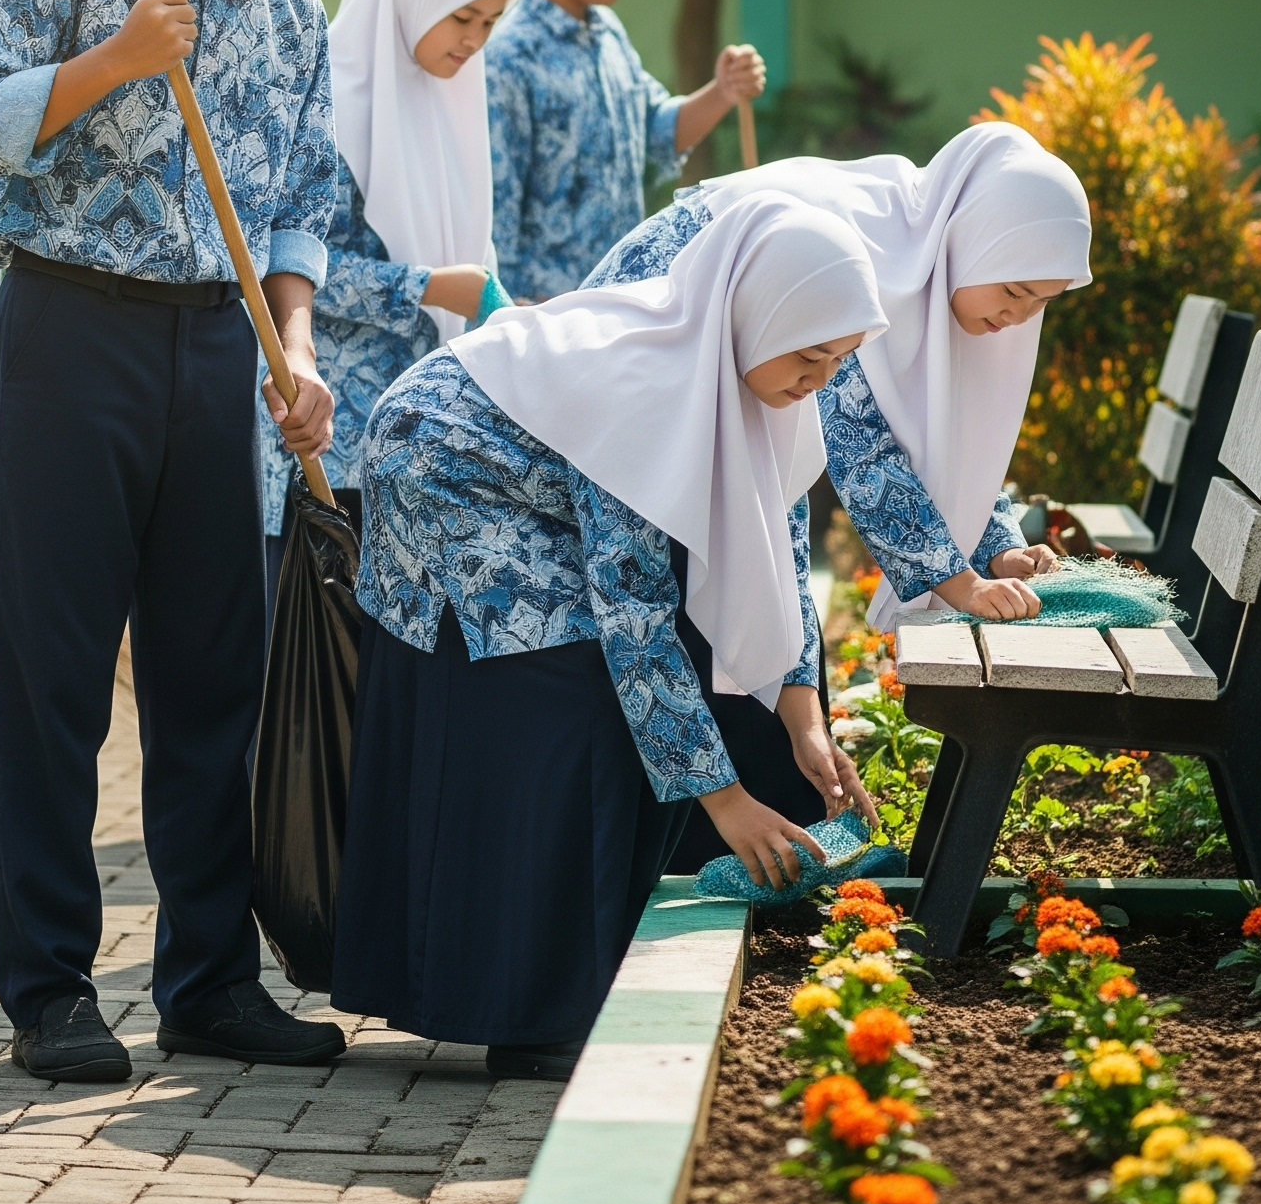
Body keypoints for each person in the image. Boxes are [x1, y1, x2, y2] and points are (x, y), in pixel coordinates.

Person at [0, 0, 371, 1083]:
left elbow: (299, 205)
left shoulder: (295, 14)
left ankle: (208, 981)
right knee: (54, 678)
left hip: (221, 361)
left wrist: (293, 349)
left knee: (213, 684)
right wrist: (111, 62)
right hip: (68, 338)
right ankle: (51, 989)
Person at [331, 193, 885, 1080]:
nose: (820, 376)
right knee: (578, 684)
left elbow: (772, 555)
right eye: (810, 351)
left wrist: (801, 709)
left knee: (658, 680)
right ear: (753, 314)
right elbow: (631, 610)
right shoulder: (653, 380)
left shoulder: (754, 378)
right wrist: (725, 799)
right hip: (443, 470)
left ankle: (593, 966)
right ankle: (532, 1012)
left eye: (841, 359)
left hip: (520, 479)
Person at [584, 122, 1093, 869]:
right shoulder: (863, 254)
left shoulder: (929, 251)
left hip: (735, 414)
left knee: (765, 590)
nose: (1019, 316)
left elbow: (953, 433)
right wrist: (961, 584)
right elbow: (859, 440)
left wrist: (998, 549)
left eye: (1041, 302)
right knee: (689, 600)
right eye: (1015, 289)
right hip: (657, 393)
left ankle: (769, 828)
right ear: (973, 238)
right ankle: (707, 848)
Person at [258, 0, 521, 588]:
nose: (474, 41)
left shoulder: (454, 105)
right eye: (462, 18)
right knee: (322, 659)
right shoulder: (332, 102)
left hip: (422, 437)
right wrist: (426, 287)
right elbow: (291, 259)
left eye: (489, 24)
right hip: (329, 437)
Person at [486, 0, 767, 303]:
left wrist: (723, 91)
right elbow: (495, 218)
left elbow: (656, 131)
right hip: (548, 316)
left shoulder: (607, 31)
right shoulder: (508, 55)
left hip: (621, 302)